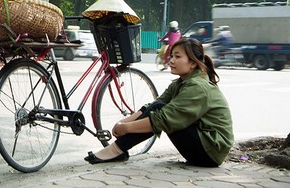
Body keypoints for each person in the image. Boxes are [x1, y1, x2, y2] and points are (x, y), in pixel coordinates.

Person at [84, 37, 234, 167]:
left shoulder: (198, 87)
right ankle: (117, 150)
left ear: (193, 63)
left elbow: (164, 118)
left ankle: (116, 151)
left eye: (177, 56)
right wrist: (122, 123)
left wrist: (127, 128)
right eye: (171, 56)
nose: (171, 60)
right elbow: (154, 105)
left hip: (210, 152)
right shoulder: (181, 83)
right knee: (158, 107)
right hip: (202, 148)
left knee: (161, 114)